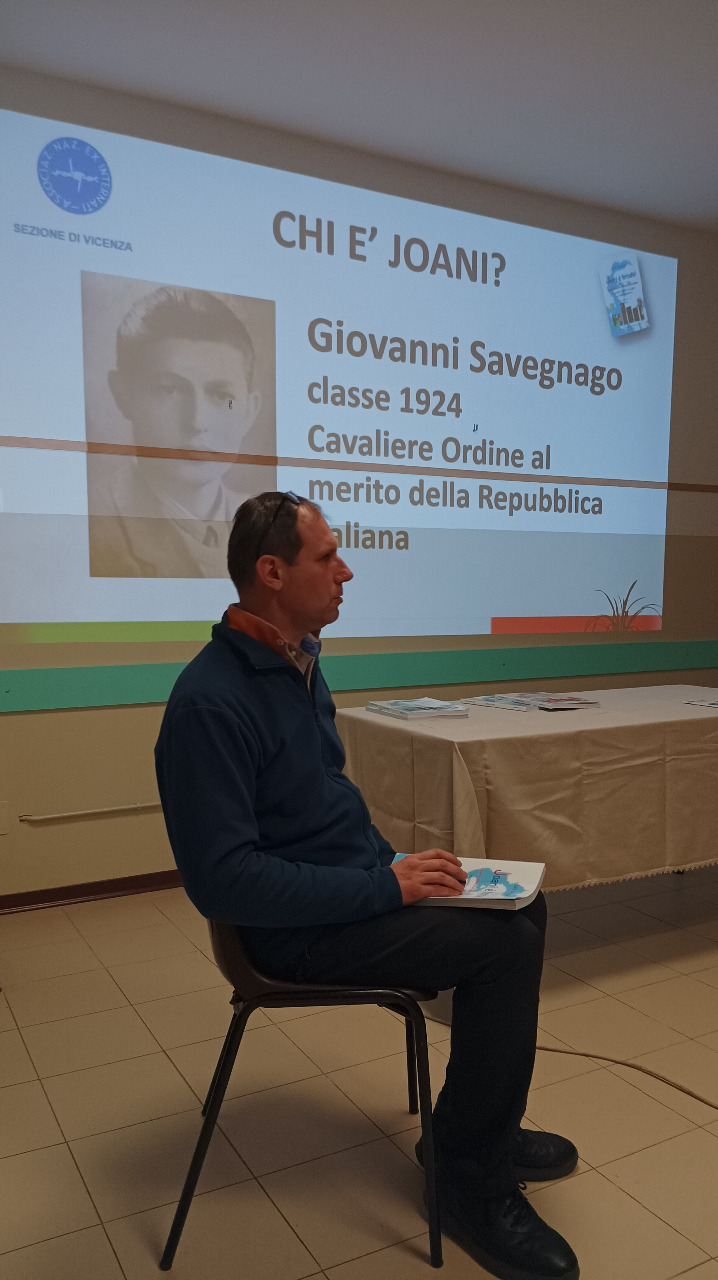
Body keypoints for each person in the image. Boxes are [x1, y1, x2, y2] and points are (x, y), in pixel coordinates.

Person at [155, 490, 580, 1280]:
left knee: (525, 904)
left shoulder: (297, 663)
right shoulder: (210, 703)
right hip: (288, 936)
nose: (346, 572)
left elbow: (326, 810)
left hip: (350, 890)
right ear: (272, 572)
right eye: (328, 558)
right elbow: (226, 884)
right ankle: (468, 1181)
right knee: (504, 948)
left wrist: (396, 868)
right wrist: (388, 890)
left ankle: (474, 1131)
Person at [87, 286, 275, 577]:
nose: (197, 422)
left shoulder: (272, 527)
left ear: (250, 411)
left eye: (222, 396)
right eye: (169, 390)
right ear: (123, 395)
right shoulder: (92, 525)